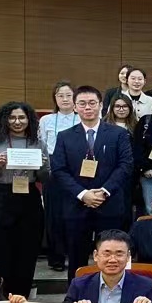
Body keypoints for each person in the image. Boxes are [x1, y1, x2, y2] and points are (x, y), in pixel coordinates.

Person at [51, 86, 133, 281]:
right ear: (75, 107)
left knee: (111, 256)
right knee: (76, 257)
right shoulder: (64, 136)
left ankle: (113, 293)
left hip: (109, 204)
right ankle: (76, 294)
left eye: (92, 103)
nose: (87, 107)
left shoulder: (118, 134)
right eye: (82, 104)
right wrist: (83, 194)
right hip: (77, 205)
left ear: (101, 105)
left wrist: (104, 191)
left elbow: (126, 165)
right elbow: (59, 170)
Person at [0, 102, 48, 298]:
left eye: (22, 117)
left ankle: (21, 296)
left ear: (29, 120)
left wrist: (42, 167)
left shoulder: (38, 143)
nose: (17, 121)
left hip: (28, 198)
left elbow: (46, 178)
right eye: (12, 117)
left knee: (27, 251)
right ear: (4, 119)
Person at [38, 81, 78, 272]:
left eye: (68, 95)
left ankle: (75, 254)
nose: (65, 99)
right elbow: (41, 145)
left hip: (76, 170)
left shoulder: (81, 118)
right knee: (54, 215)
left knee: (74, 213)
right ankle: (56, 257)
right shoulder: (46, 120)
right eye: (60, 95)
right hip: (52, 169)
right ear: (55, 98)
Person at [63, 230, 152, 303]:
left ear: (128, 256)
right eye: (107, 254)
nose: (112, 260)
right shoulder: (79, 285)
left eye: (119, 254)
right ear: (96, 255)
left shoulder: (146, 286)